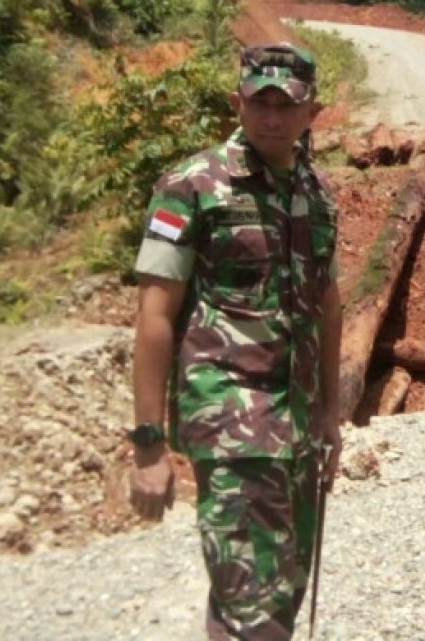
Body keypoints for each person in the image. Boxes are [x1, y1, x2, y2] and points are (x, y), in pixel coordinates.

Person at [128, 42, 343, 640]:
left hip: (296, 427)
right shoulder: (193, 185)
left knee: (275, 592)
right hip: (231, 425)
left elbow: (328, 303)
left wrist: (330, 412)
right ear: (237, 103)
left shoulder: (317, 194)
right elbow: (153, 314)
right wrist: (149, 445)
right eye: (260, 102)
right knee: (253, 600)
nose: (272, 117)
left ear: (312, 112)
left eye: (287, 105)